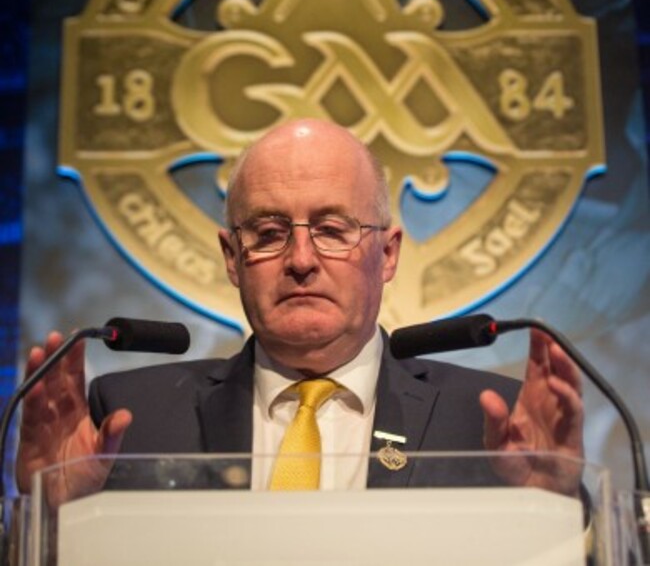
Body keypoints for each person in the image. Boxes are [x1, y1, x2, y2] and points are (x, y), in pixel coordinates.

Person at [16, 118, 584, 506]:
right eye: (268, 233)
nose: (302, 260)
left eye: (333, 230)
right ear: (232, 258)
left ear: (387, 255)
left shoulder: (490, 424)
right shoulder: (131, 418)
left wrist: (555, 507)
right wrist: (54, 517)